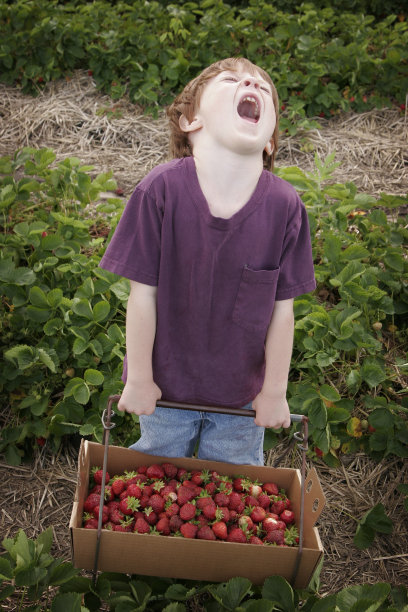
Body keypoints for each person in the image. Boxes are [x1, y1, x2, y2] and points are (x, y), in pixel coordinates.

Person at [99, 57, 316, 465]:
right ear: (190, 121)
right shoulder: (159, 191)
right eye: (231, 79)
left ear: (269, 140)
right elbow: (142, 296)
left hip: (240, 397)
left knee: (232, 492)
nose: (251, 81)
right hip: (166, 388)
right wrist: (142, 379)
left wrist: (274, 391)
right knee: (156, 480)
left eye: (263, 88)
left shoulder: (286, 207)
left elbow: (281, 312)